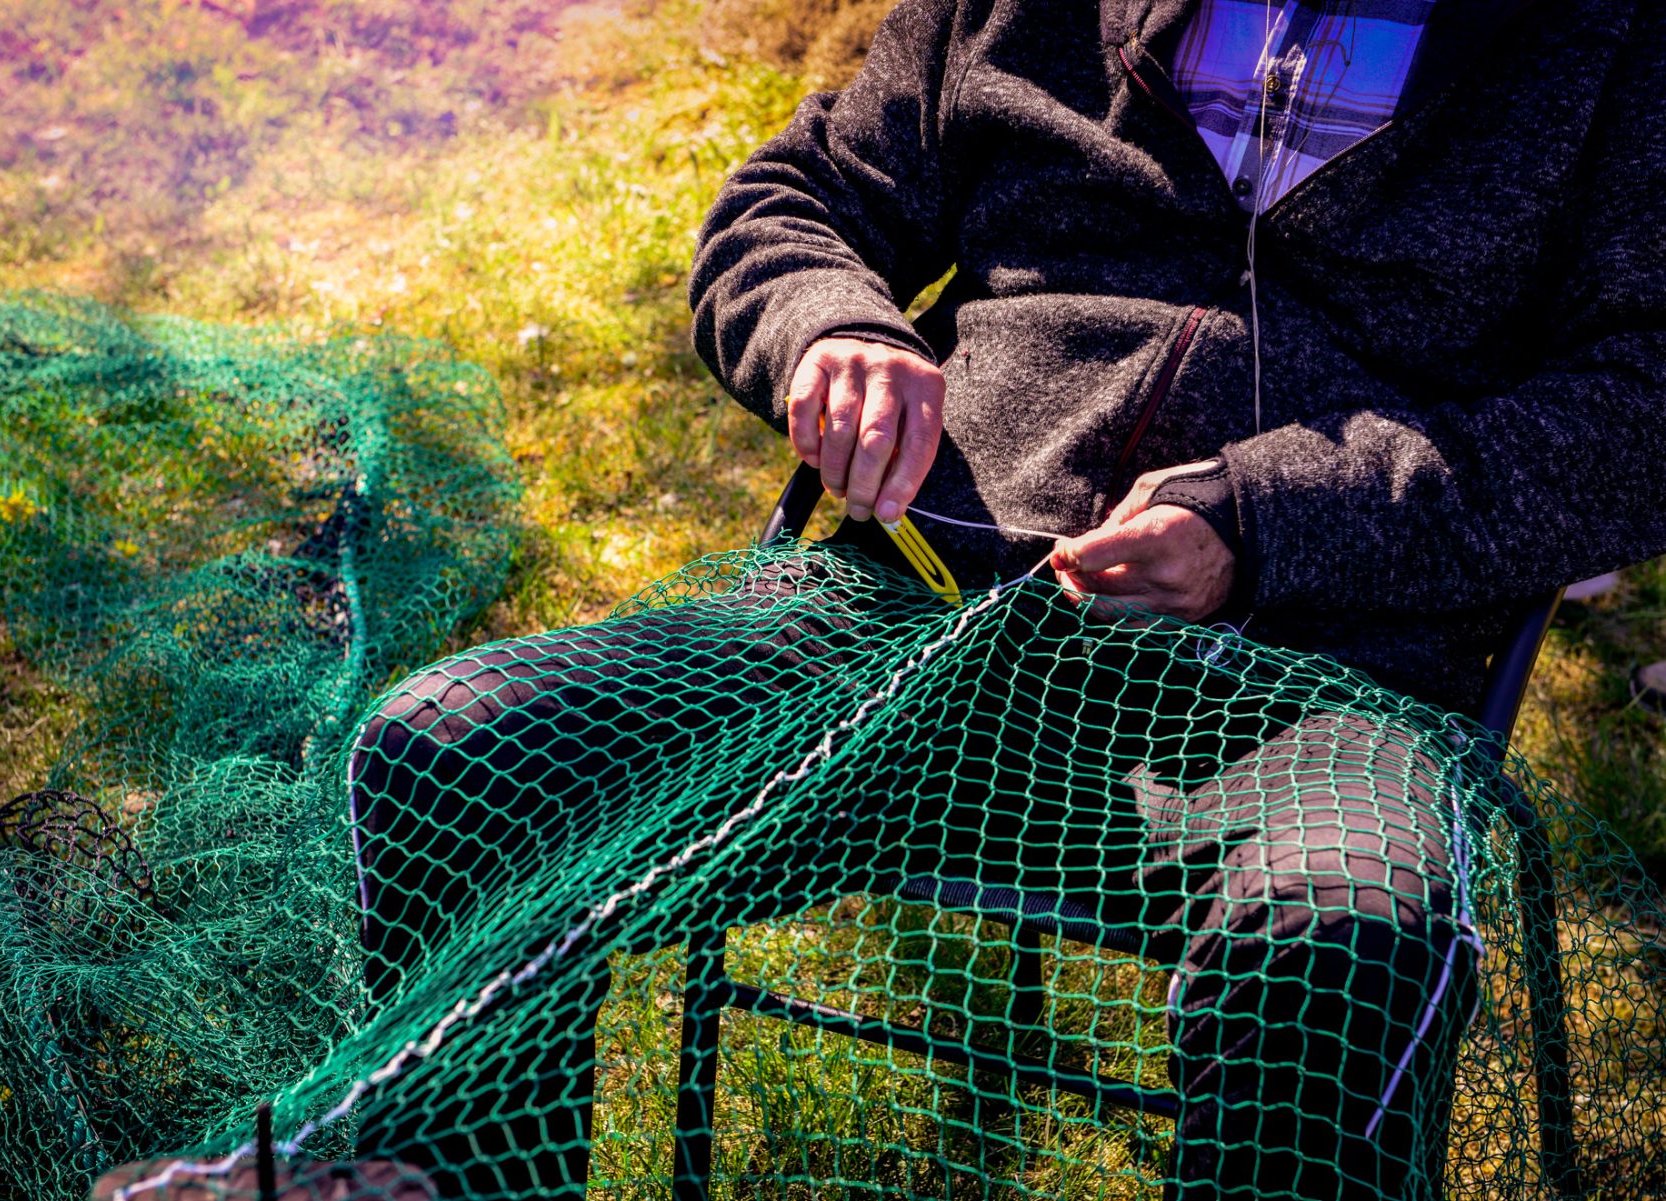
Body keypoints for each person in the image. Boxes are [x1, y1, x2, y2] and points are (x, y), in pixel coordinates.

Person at [348, 0, 1666, 1197]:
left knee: (1344, 940)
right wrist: (831, 328)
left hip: (1319, 689)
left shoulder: (1602, 46)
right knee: (452, 745)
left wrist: (1269, 519)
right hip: (911, 631)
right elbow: (793, 203)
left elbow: (1636, 415)